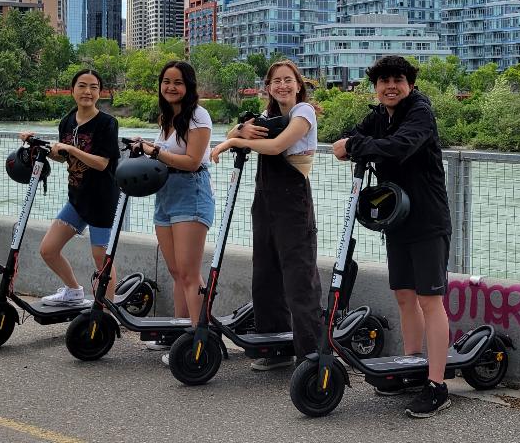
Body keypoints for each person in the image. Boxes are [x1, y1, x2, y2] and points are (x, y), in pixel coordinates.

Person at [332, 55, 453, 418]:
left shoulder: (419, 112)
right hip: (396, 218)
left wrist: (353, 146)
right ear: (375, 86)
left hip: (428, 220)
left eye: (398, 80)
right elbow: (350, 137)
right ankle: (412, 367)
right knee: (403, 296)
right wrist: (350, 142)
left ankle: (437, 385)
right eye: (383, 81)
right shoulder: (378, 115)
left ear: (410, 84)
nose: (391, 86)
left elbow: (400, 146)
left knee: (430, 300)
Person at [211, 60, 322, 371]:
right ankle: (274, 348)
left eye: (288, 80)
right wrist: (239, 129)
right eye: (276, 81)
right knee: (265, 272)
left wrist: (233, 141)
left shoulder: (303, 113)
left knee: (299, 275)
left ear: (298, 85)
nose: (282, 86)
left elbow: (275, 147)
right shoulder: (268, 115)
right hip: (265, 199)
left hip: (293, 201)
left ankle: (311, 354)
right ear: (269, 87)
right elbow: (237, 129)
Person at [19, 69, 121, 307]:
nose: (88, 92)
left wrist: (72, 149)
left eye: (94, 87)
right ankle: (74, 291)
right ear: (73, 90)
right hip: (77, 199)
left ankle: (106, 310)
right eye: (82, 86)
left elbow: (102, 163)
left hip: (102, 202)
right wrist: (38, 146)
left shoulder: (107, 123)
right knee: (48, 249)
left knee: (101, 260)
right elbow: (65, 158)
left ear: (100, 92)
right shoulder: (67, 121)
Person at [134, 61, 215, 354]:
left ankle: (199, 341)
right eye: (166, 81)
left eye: (177, 82)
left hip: (191, 191)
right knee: (176, 270)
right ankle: (179, 333)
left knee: (190, 273)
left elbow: (193, 161)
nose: (170, 87)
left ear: (188, 86)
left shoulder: (198, 116)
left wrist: (155, 151)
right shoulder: (167, 117)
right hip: (165, 194)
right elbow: (164, 156)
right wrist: (142, 147)